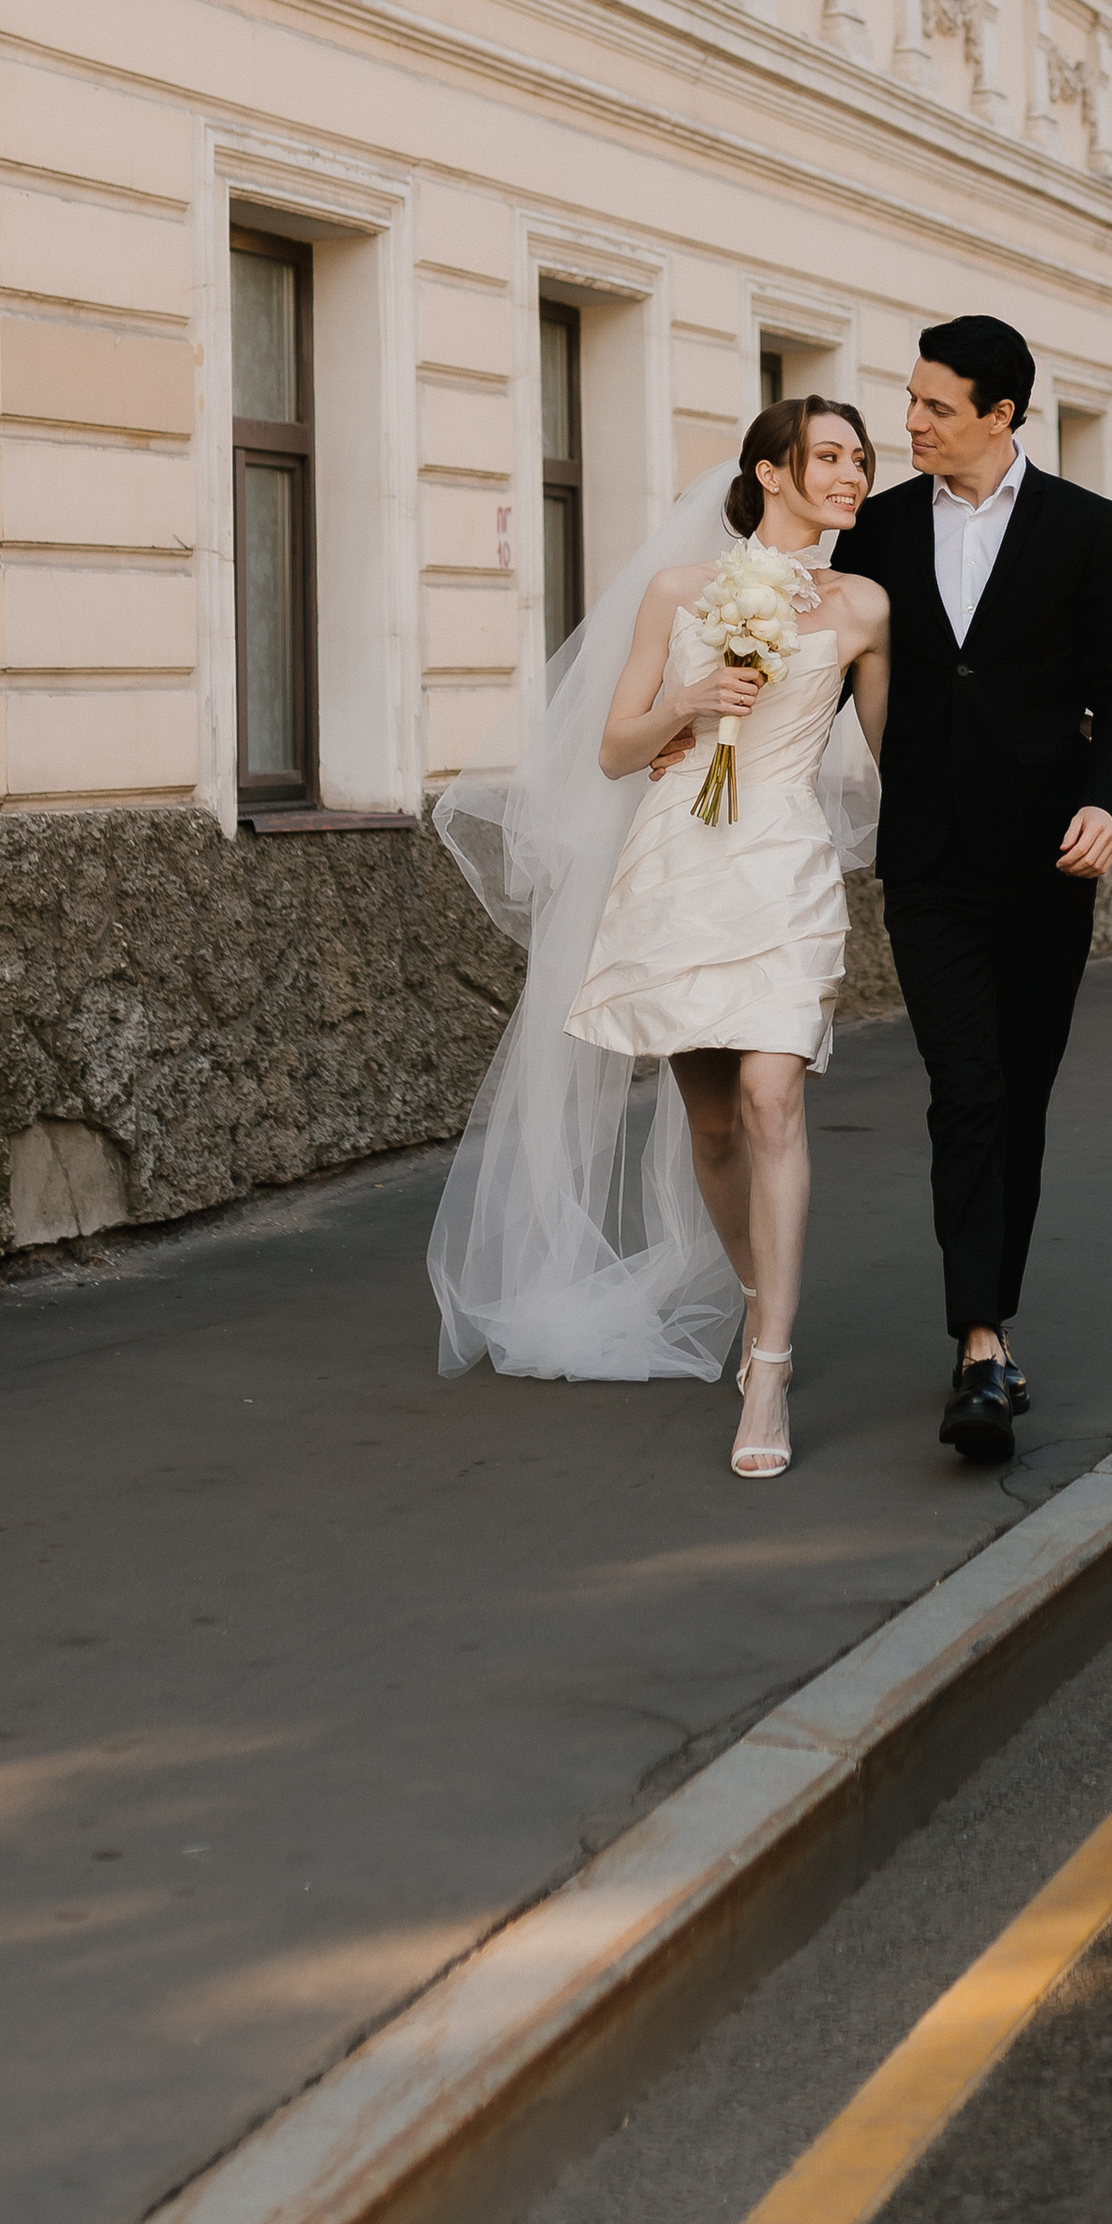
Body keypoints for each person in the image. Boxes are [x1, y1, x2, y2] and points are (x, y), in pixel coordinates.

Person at [427, 400, 888, 1481]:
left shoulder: (864, 607)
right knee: (716, 1121)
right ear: (770, 472)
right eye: (831, 457)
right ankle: (752, 1288)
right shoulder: (680, 592)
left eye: (861, 462)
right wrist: (688, 700)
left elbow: (895, 747)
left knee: (775, 1095)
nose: (852, 475)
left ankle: (767, 1365)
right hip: (679, 861)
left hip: (782, 857)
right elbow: (610, 749)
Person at [839, 314, 1112, 1464]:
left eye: (932, 406)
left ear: (1000, 416)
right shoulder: (872, 530)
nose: (909, 422)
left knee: (1018, 1092)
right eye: (910, 400)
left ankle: (992, 1317)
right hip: (926, 859)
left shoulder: (1084, 528)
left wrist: (1106, 805)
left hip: (1044, 858)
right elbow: (823, 672)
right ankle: (978, 1344)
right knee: (963, 1085)